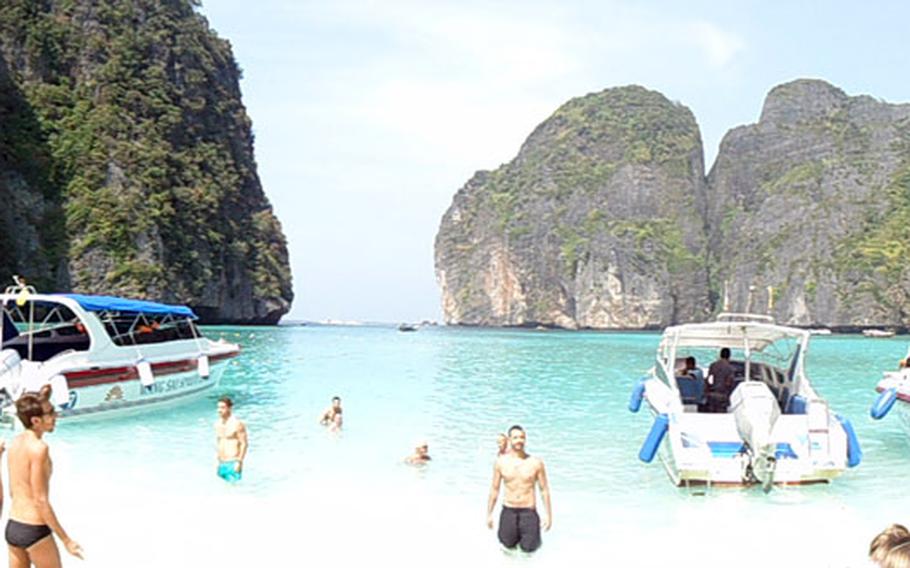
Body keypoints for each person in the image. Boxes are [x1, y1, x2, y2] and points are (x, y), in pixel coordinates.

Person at [6, 385, 83, 567]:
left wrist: (44, 394)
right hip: (34, 529)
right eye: (50, 413)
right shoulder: (39, 449)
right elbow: (40, 500)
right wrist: (66, 540)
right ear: (35, 420)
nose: (55, 417)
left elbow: (13, 491)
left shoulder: (15, 443)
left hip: (13, 527)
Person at [486, 425, 552, 553]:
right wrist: (489, 514)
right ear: (509, 440)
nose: (519, 440)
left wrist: (548, 516)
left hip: (529, 512)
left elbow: (544, 490)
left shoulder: (536, 463)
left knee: (529, 551)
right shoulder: (500, 462)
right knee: (507, 548)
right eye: (515, 437)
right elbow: (494, 489)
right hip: (508, 511)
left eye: (522, 437)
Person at [215, 396, 248, 483]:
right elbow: (219, 442)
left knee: (234, 490)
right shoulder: (217, 424)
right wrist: (218, 460)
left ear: (229, 408)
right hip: (222, 462)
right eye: (218, 407)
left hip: (233, 462)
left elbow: (244, 444)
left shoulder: (237, 424)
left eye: (222, 407)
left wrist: (239, 461)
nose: (219, 410)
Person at [706, 348, 736, 413]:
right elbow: (728, 383)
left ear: (720, 355)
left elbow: (709, 380)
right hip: (722, 395)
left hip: (712, 394)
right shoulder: (730, 368)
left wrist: (707, 391)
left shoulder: (713, 365)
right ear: (729, 356)